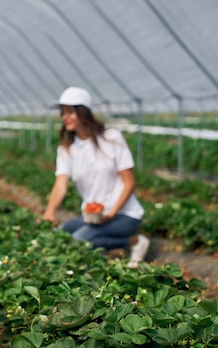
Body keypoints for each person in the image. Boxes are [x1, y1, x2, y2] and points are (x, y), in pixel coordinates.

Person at [42, 86, 149, 268]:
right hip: (92, 216)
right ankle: (110, 243)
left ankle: (134, 242)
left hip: (124, 215)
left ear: (83, 113)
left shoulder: (111, 138)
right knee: (58, 234)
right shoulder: (67, 150)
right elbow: (60, 185)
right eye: (62, 113)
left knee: (79, 239)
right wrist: (49, 211)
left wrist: (112, 212)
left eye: (69, 112)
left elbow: (129, 183)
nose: (64, 117)